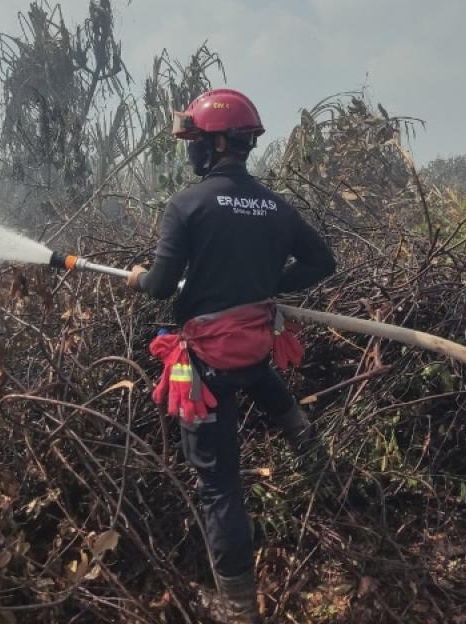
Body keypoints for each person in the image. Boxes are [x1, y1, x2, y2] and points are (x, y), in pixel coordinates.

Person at [126, 88, 336, 623]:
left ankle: (238, 608)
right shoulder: (275, 206)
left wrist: (141, 279)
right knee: (258, 373)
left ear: (217, 141)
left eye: (194, 138)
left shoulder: (188, 204)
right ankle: (319, 465)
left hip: (209, 364)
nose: (190, 147)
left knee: (219, 484)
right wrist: (268, 285)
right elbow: (322, 262)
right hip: (252, 348)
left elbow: (161, 285)